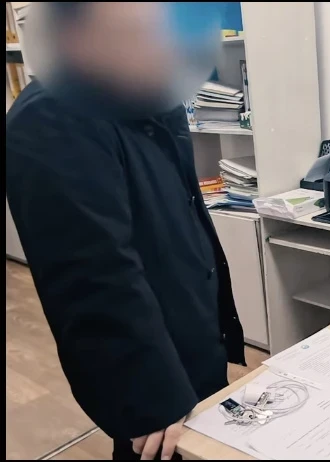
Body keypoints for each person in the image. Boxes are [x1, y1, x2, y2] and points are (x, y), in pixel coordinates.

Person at [6, 3, 244, 460]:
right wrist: (150, 399)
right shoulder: (53, 117)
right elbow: (91, 278)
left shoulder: (147, 96)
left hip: (189, 337)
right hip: (150, 372)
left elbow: (182, 216)